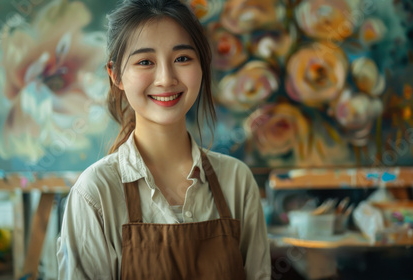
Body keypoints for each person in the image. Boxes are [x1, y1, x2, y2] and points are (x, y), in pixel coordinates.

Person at [56, 0, 271, 279]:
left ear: (202, 66)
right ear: (116, 75)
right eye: (145, 61)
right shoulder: (95, 193)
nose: (166, 79)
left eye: (182, 58)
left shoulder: (237, 181)